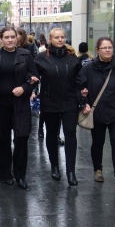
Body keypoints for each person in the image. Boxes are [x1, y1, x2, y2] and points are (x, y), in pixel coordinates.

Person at [0, 26, 39, 189]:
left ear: (17, 38)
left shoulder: (25, 55)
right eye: (6, 37)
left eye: (12, 37)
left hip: (20, 104)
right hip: (0, 104)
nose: (9, 40)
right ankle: (4, 174)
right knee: (2, 140)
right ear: (0, 39)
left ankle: (20, 175)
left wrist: (24, 87)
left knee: (21, 139)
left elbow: (34, 77)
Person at [78, 37, 115, 187]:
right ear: (97, 50)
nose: (108, 50)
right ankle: (98, 170)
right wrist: (84, 103)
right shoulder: (88, 69)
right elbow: (79, 87)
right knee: (98, 143)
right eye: (104, 48)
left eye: (110, 47)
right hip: (97, 113)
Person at [34, 28, 83, 186]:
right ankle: (54, 165)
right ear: (50, 39)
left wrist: (82, 97)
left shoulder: (72, 57)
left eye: (62, 37)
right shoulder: (41, 58)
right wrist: (33, 90)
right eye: (56, 37)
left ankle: (70, 171)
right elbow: (34, 77)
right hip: (50, 102)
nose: (60, 40)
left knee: (70, 133)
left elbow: (79, 80)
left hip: (70, 102)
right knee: (52, 134)